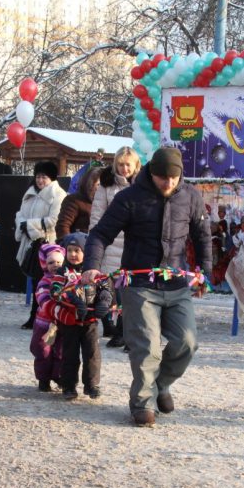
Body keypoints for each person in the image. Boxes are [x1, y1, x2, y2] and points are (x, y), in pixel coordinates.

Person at [82, 147, 212, 427]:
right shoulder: (128, 198)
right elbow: (100, 234)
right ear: (151, 172)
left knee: (187, 343)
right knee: (147, 348)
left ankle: (161, 385)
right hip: (139, 284)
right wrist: (92, 264)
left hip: (177, 284)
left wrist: (205, 273)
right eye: (163, 178)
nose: (168, 183)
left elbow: (203, 237)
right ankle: (141, 403)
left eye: (174, 179)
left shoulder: (190, 196)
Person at [89, 146, 141, 347]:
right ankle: (117, 328)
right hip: (111, 242)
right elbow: (97, 214)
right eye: (120, 164)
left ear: (135, 165)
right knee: (114, 291)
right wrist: (94, 241)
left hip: (133, 243)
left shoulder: (142, 186)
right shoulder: (106, 186)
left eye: (128, 164)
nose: (124, 168)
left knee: (131, 291)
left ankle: (126, 331)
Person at [51, 232, 110, 400]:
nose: (73, 254)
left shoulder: (94, 273)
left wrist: (104, 302)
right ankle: (68, 386)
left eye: (77, 250)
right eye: (69, 250)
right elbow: (54, 292)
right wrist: (72, 299)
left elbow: (106, 288)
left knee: (92, 354)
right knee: (69, 354)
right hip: (69, 321)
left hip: (90, 322)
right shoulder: (62, 273)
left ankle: (91, 385)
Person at [15, 161, 66, 329]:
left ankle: (42, 315)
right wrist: (23, 224)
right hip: (31, 242)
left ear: (51, 178)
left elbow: (53, 221)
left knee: (46, 282)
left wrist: (29, 225)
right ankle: (35, 315)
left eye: (44, 177)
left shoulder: (58, 195)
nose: (40, 180)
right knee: (36, 281)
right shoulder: (29, 193)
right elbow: (20, 214)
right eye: (38, 176)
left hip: (47, 244)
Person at [31, 243, 65, 392]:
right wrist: (53, 307)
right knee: (43, 351)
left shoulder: (68, 280)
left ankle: (58, 376)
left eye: (59, 262)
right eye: (51, 262)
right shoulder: (44, 282)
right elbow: (42, 298)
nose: (55, 265)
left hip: (62, 322)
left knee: (60, 351)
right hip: (45, 323)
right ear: (45, 264)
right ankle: (43, 379)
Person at [55, 164, 98, 239]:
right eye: (98, 184)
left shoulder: (106, 202)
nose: (101, 188)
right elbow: (63, 226)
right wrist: (69, 245)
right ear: (90, 184)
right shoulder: (73, 200)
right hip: (78, 246)